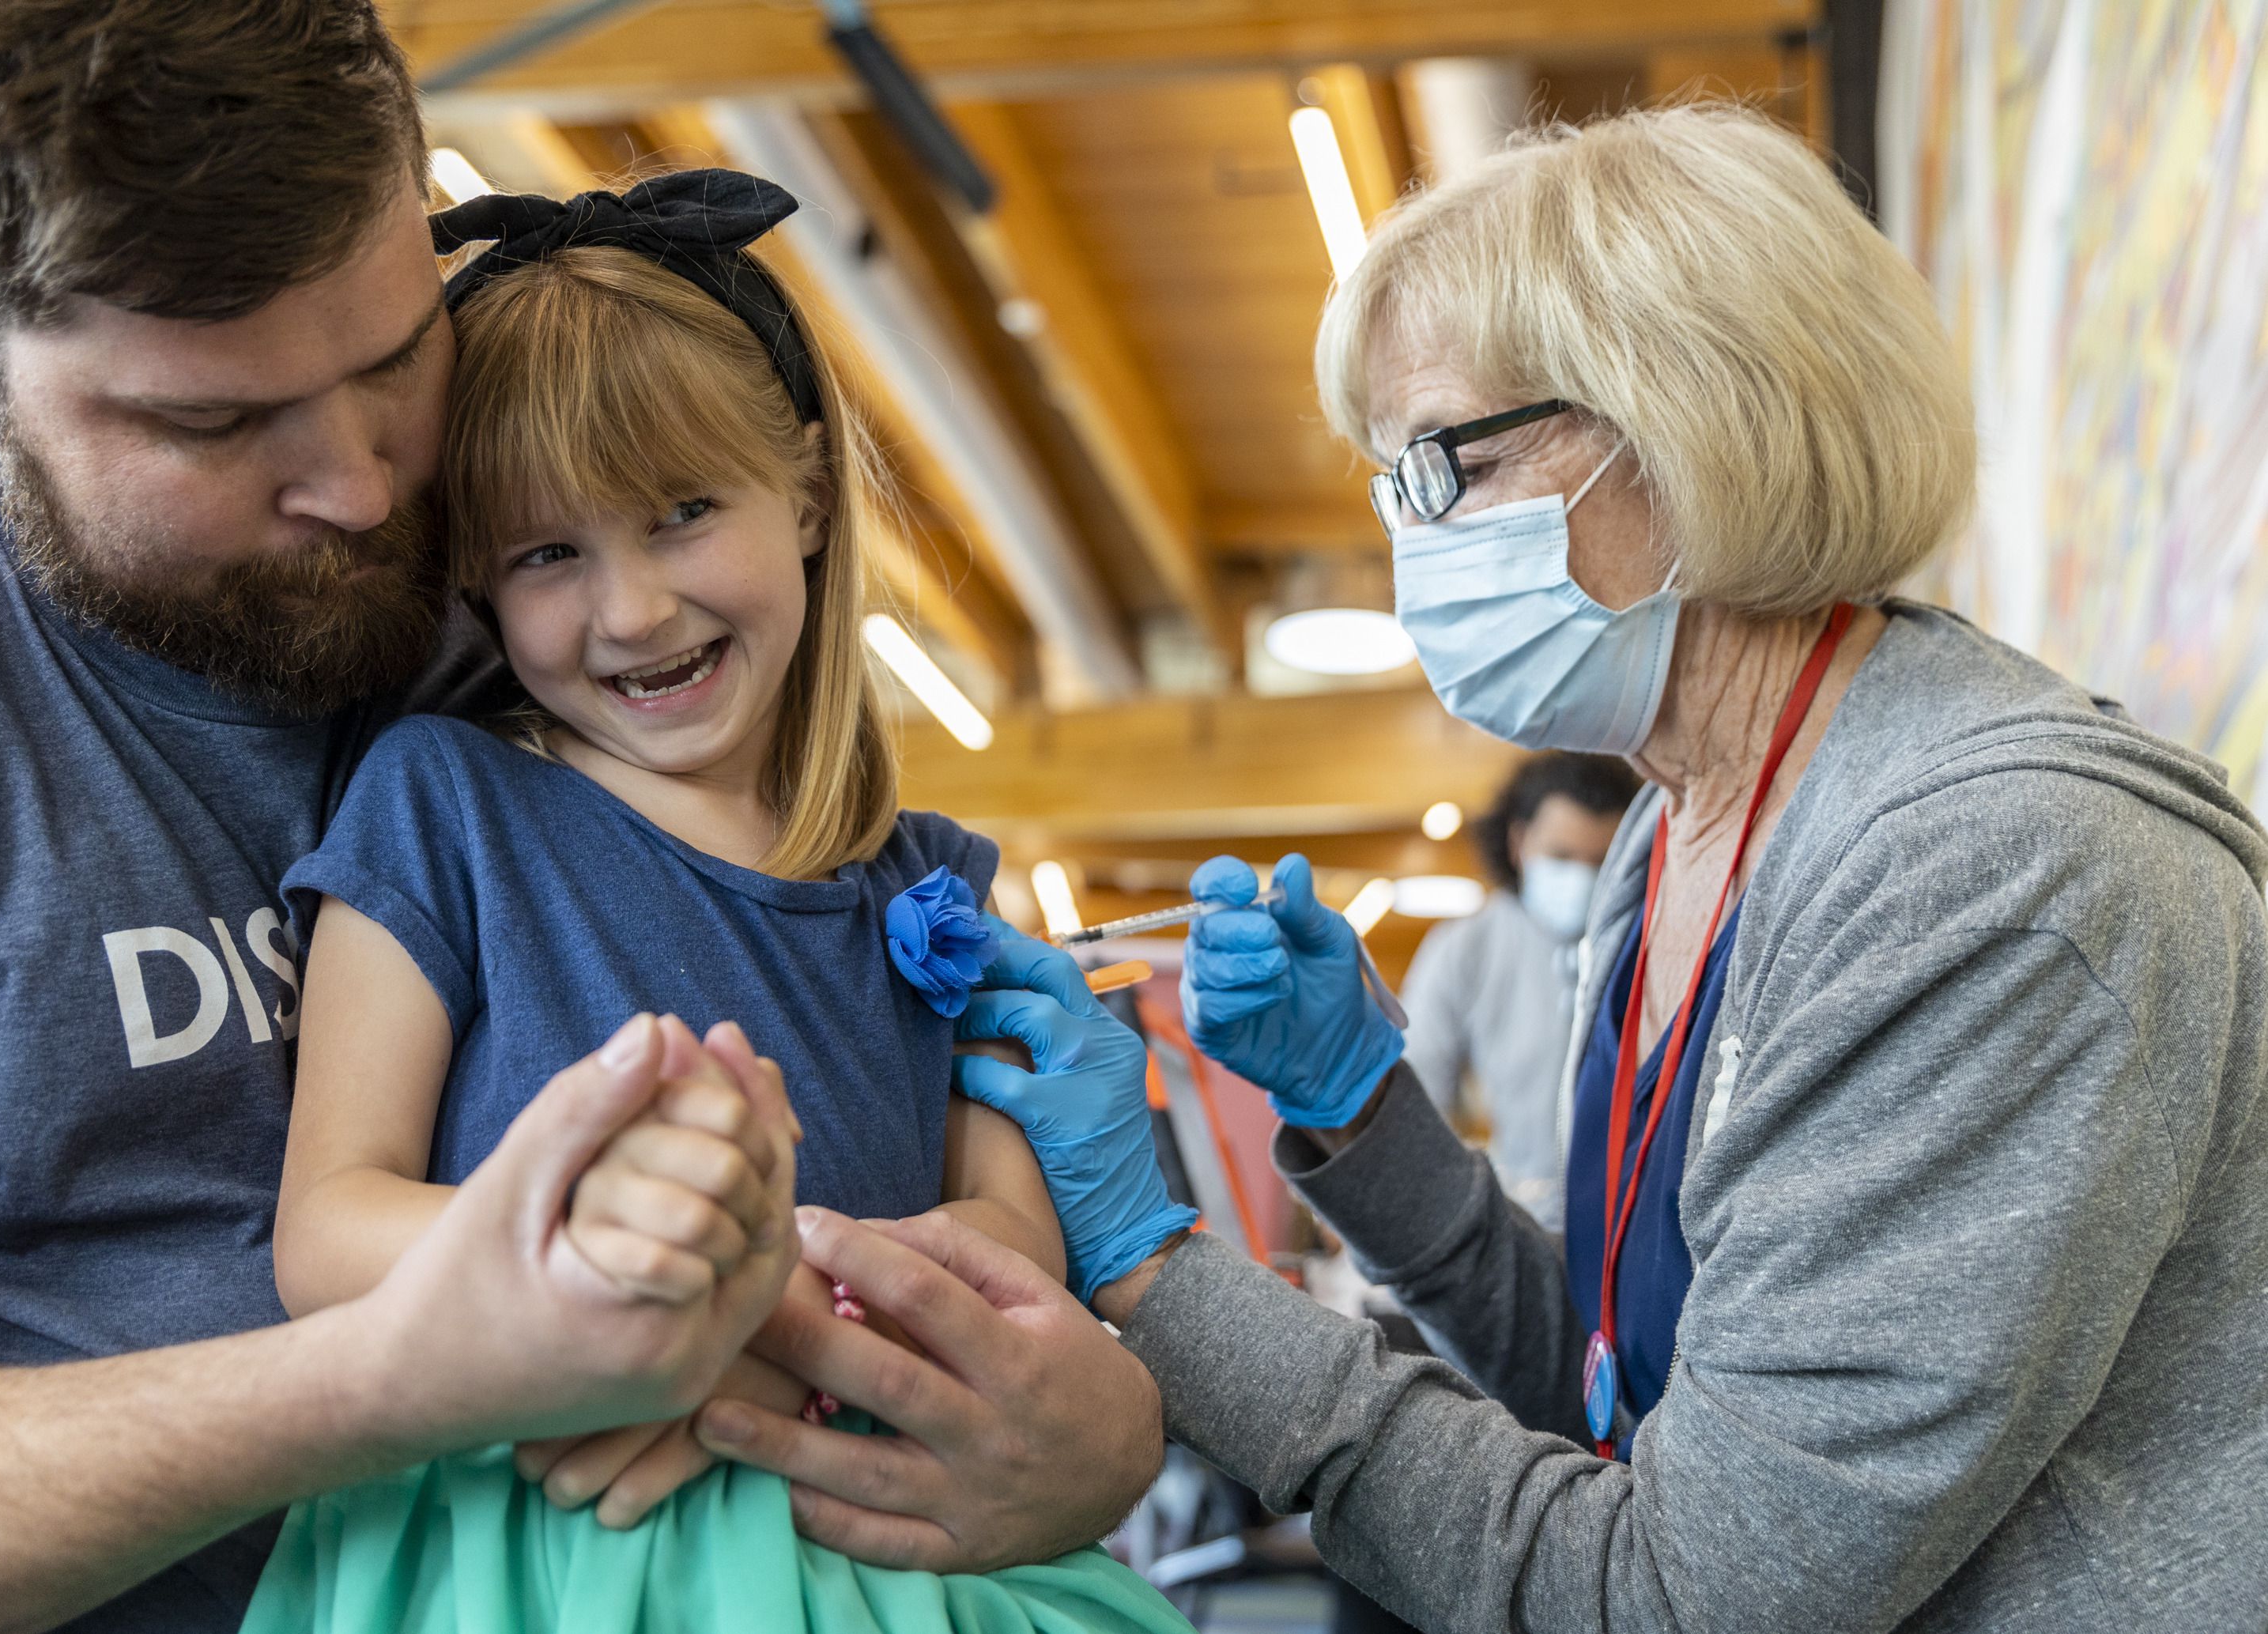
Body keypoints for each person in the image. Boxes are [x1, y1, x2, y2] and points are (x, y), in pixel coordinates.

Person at [704, 106, 2268, 1630]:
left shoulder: (1995, 876)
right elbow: (1614, 1383)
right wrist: (1359, 1113)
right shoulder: (1679, 825)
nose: (1405, 541)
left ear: (1684, 419)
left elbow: (1681, 1586)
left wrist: (1154, 1262)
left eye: (1439, 468)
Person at [0, 6, 1160, 1630]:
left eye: (394, 351)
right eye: (214, 423)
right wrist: (413, 1373)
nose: (369, 489)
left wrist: (1084, 1426)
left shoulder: (561, 595)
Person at [246, 178, 1191, 1634]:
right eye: (549, 553)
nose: (629, 611)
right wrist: (646, 1297)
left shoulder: (927, 872)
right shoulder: (445, 800)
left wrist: (769, 1333)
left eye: (683, 514)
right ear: (483, 587)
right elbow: (329, 1227)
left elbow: (1011, 1228)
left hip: (869, 1521)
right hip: (553, 1535)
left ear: (807, 492)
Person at [1398, 752, 1636, 1225]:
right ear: (1518, 841)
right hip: (1520, 1216)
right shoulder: (1466, 947)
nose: (1581, 879)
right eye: (1561, 857)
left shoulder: (1647, 942)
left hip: (1631, 1215)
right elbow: (1416, 1093)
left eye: (1600, 862)